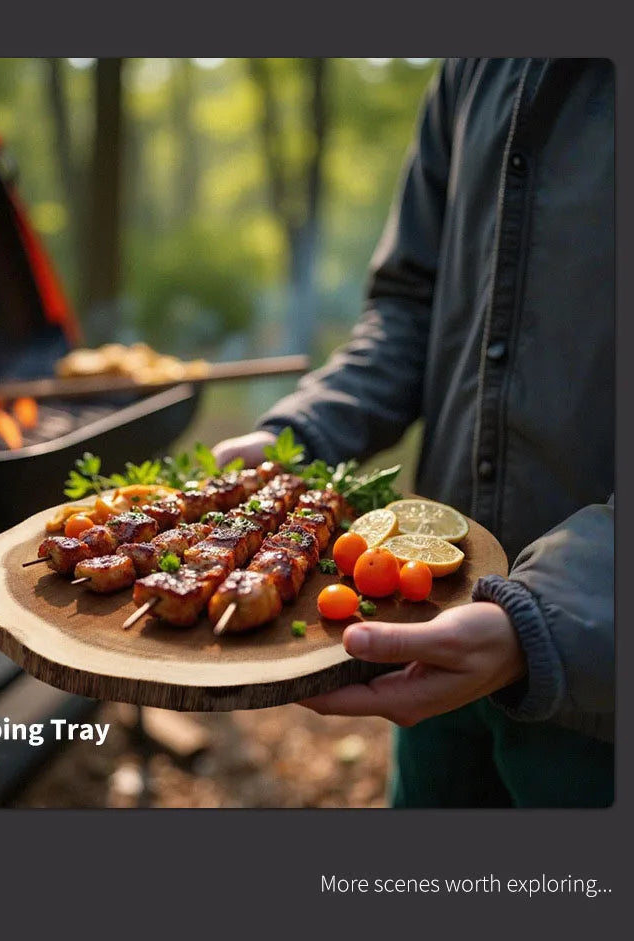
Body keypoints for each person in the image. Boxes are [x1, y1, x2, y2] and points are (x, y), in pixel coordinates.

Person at [212, 58, 614, 808]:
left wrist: (547, 619)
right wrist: (301, 430)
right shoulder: (474, 62)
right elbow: (407, 307)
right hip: (434, 630)